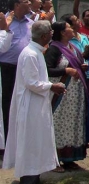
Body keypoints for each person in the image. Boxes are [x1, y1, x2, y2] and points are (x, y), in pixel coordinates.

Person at [2, 21, 66, 184]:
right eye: (51, 31)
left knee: (36, 144)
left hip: (36, 104)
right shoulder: (30, 54)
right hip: (31, 107)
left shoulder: (36, 52)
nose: (53, 33)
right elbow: (32, 82)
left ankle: (34, 177)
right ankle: (29, 178)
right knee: (31, 144)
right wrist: (52, 85)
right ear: (44, 36)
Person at [45, 21, 88, 170]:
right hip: (61, 95)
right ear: (63, 32)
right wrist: (66, 71)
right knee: (58, 125)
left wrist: (81, 67)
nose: (72, 29)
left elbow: (76, 64)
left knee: (72, 126)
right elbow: (48, 69)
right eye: (69, 27)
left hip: (74, 96)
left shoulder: (73, 47)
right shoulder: (54, 49)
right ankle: (54, 160)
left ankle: (69, 158)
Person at [0, 0, 33, 139]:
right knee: (6, 105)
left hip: (25, 70)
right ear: (17, 5)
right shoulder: (4, 22)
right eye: (26, 1)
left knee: (23, 104)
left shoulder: (31, 24)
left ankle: (20, 139)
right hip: (6, 69)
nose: (30, 3)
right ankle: (6, 141)